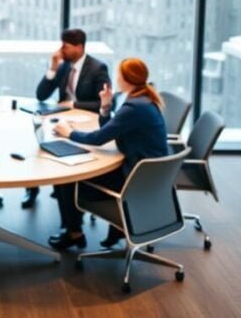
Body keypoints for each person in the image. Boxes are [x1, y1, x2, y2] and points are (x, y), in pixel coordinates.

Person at [47, 58, 169, 251]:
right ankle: (114, 230)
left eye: (119, 75)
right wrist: (105, 106)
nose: (116, 78)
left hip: (134, 178)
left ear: (126, 79)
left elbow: (98, 138)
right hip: (147, 175)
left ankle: (74, 234)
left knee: (67, 180)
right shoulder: (143, 98)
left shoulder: (134, 107)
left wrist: (68, 133)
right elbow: (112, 130)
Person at [23, 29, 110, 209]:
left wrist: (74, 105)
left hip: (86, 123)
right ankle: (32, 189)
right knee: (36, 143)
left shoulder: (97, 68)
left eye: (65, 46)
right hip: (61, 120)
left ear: (79, 47)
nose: (61, 50)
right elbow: (41, 95)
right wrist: (53, 68)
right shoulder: (64, 66)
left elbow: (104, 103)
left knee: (62, 149)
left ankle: (67, 196)